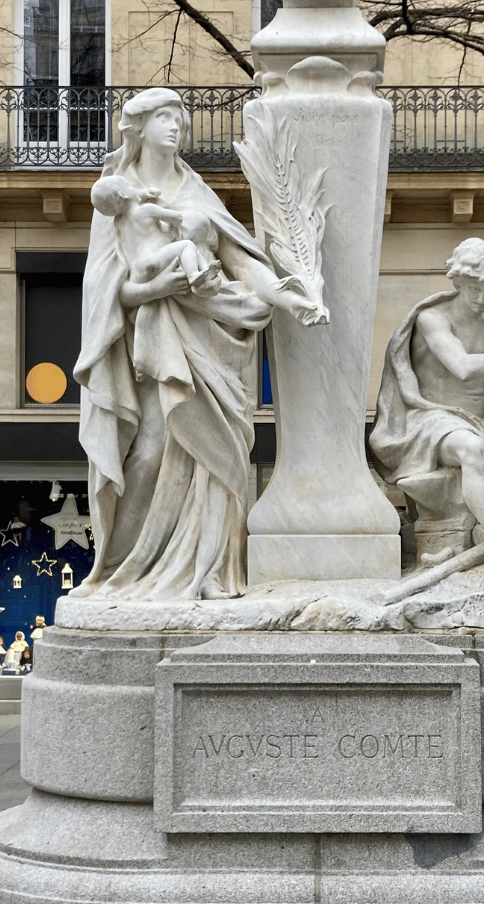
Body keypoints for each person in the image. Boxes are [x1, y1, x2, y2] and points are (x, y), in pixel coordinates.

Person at [71, 87, 325, 601]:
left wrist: (286, 295)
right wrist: (158, 289)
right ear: (138, 126)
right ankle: (120, 571)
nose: (175, 128)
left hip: (211, 335)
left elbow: (240, 259)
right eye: (164, 117)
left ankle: (204, 567)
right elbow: (106, 289)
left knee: (211, 457)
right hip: (156, 330)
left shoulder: (196, 189)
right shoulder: (116, 193)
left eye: (179, 120)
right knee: (148, 451)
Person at [369, 240, 484, 582]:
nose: (482, 298)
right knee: (470, 449)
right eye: (475, 288)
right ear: (457, 281)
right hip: (431, 419)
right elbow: (462, 367)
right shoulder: (433, 318)